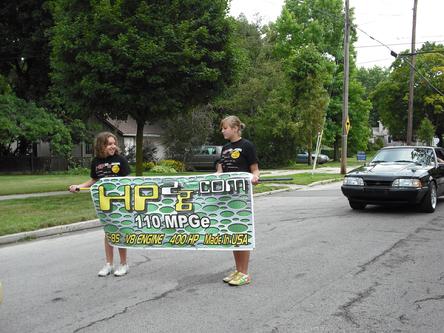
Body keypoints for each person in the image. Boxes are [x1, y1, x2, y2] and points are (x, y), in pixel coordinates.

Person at [69, 132, 131, 277]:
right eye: (109, 144)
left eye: (114, 143)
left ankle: (123, 264)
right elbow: (94, 180)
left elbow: (128, 181)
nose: (113, 146)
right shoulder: (96, 162)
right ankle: (109, 264)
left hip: (120, 202)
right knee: (109, 232)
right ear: (101, 146)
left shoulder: (120, 160)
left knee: (120, 231)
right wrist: (79, 186)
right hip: (104, 202)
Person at [216, 115, 260, 286]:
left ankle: (244, 273)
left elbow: (255, 170)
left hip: (241, 197)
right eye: (222, 128)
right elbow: (220, 170)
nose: (222, 131)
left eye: (225, 128)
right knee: (233, 233)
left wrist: (255, 178)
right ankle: (238, 269)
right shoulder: (225, 148)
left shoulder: (247, 146)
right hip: (227, 197)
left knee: (242, 232)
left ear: (235, 128)